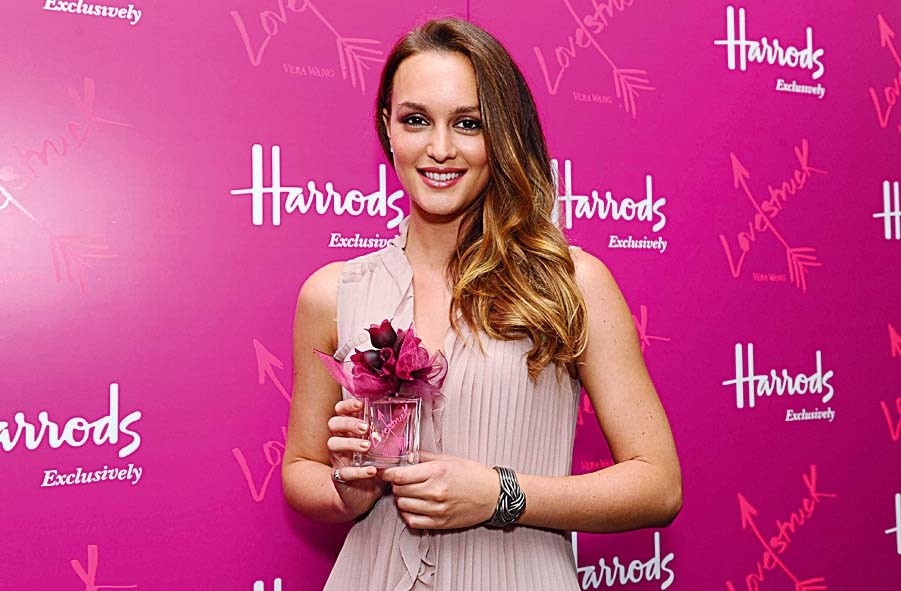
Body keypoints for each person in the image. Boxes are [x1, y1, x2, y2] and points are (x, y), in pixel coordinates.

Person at [283, 17, 681, 591]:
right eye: (416, 120)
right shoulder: (332, 293)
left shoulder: (570, 283)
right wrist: (352, 488)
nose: (440, 149)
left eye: (468, 123)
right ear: (387, 128)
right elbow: (301, 470)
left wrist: (500, 494)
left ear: (502, 135)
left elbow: (658, 485)